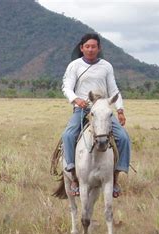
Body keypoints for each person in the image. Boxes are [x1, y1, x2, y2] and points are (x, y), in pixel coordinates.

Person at [61, 33, 131, 198]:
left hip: (103, 109)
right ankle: (72, 174)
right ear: (82, 48)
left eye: (94, 46)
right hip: (83, 108)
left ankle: (115, 177)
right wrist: (76, 99)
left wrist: (120, 109)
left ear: (99, 48)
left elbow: (113, 90)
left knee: (123, 137)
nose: (91, 49)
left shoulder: (107, 66)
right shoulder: (74, 66)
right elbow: (67, 87)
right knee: (69, 135)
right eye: (87, 46)